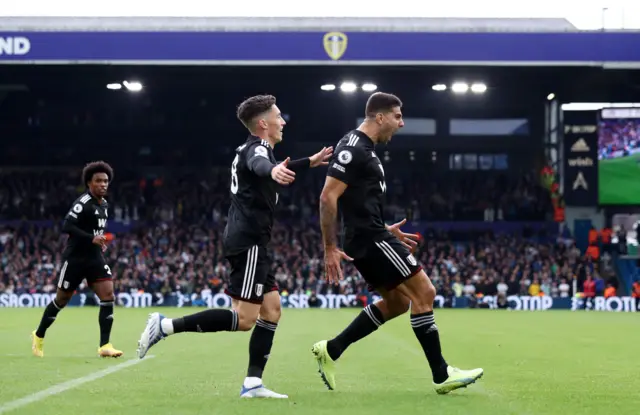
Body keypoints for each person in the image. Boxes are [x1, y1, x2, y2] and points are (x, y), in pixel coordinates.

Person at [136, 94, 332, 398]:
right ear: (263, 123)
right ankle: (165, 326)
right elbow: (261, 166)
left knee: (272, 310)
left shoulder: (252, 149)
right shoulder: (257, 151)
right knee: (244, 319)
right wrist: (273, 171)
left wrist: (309, 162)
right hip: (249, 240)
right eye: (279, 116)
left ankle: (253, 383)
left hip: (252, 241)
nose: (283, 122)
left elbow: (268, 166)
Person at [312, 92, 483, 394]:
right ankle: (442, 375)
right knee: (425, 293)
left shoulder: (365, 149)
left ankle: (333, 349)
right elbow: (328, 196)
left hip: (372, 234)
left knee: (398, 303)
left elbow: (357, 200)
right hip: (368, 238)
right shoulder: (354, 148)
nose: (401, 124)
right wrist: (329, 247)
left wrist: (386, 229)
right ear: (380, 117)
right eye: (398, 116)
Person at [31, 161, 122, 358]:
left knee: (108, 295)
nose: (103, 184)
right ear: (89, 183)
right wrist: (91, 238)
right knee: (61, 300)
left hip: (95, 258)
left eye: (106, 181)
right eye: (98, 181)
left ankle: (105, 345)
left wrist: (98, 240)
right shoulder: (83, 203)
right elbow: (67, 226)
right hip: (75, 259)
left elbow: (95, 230)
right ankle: (38, 335)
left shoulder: (104, 205)